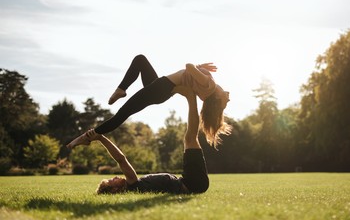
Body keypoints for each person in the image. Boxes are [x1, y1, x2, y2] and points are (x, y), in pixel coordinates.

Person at [67, 54, 231, 149]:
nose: (229, 97)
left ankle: (87, 136)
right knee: (140, 60)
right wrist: (200, 69)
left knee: (122, 114)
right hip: (160, 87)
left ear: (217, 99)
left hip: (161, 88)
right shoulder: (207, 91)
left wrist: (197, 66)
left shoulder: (210, 86)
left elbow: (188, 66)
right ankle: (121, 89)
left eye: (226, 102)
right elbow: (190, 78)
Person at [86, 85, 208, 194]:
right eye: (111, 181)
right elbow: (121, 159)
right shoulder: (133, 185)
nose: (115, 177)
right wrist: (101, 138)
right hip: (191, 184)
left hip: (191, 182)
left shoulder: (137, 185)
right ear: (115, 189)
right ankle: (191, 97)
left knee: (190, 138)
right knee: (190, 138)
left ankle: (192, 97)